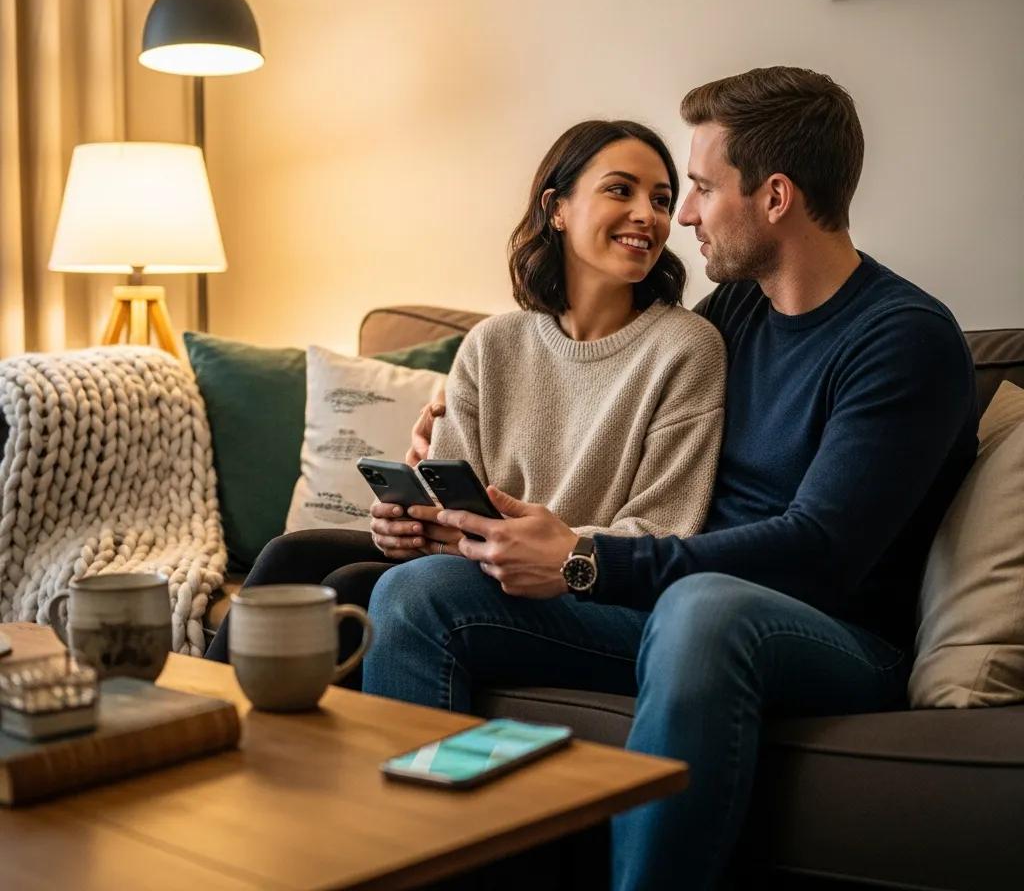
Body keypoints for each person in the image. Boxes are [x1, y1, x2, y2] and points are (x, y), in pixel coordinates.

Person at [363, 66, 978, 890]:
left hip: (834, 638)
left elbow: (821, 552)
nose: (682, 215)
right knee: (417, 594)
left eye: (700, 188)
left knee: (703, 607)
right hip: (677, 613)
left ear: (775, 197)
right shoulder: (737, 313)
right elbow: (603, 377)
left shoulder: (903, 339)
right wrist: (449, 415)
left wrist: (585, 560)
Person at [206, 119, 727, 675]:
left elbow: (662, 530)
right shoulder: (491, 343)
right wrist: (408, 528)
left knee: (358, 587)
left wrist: (534, 543)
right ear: (556, 208)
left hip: (591, 587)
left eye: (661, 200)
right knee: (294, 554)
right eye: (620, 190)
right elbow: (448, 504)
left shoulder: (687, 347)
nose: (648, 215)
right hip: (477, 567)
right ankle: (199, 714)